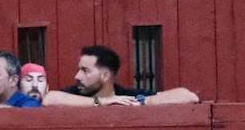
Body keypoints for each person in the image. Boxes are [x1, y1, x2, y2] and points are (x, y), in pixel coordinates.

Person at [42, 45, 200, 107]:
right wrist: (102, 102)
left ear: (105, 75)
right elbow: (49, 99)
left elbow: (189, 96)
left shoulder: (127, 97)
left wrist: (143, 101)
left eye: (85, 70)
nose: (78, 76)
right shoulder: (74, 94)